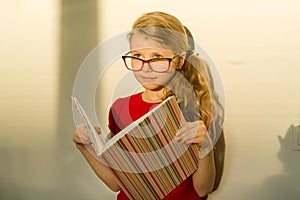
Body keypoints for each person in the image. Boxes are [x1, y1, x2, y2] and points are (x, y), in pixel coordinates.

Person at [73, 11, 224, 200]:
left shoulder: (194, 107)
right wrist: (85, 147)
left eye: (157, 56)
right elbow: (116, 183)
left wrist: (205, 146)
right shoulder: (120, 109)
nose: (145, 66)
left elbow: (203, 189)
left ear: (179, 60)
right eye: (137, 55)